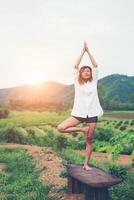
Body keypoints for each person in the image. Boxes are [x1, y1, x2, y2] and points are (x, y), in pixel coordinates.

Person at [57, 42, 104, 171]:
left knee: (89, 139)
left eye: (88, 71)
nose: (87, 72)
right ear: (81, 74)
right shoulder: (77, 82)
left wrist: (89, 51)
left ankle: (86, 164)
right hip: (79, 113)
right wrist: (83, 52)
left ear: (91, 74)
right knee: (60, 128)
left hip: (92, 114)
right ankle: (82, 129)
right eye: (84, 71)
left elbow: (95, 65)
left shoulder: (94, 81)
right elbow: (75, 66)